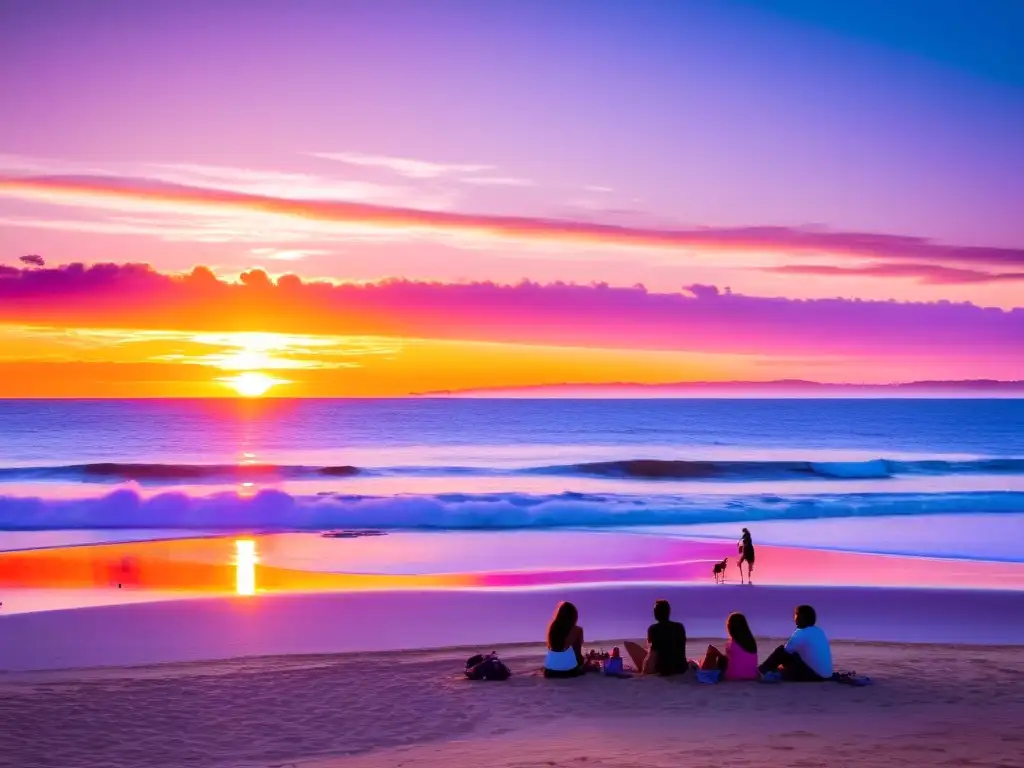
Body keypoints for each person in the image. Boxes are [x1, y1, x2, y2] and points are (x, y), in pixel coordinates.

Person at [758, 604, 833, 682]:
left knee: (781, 650)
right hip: (825, 676)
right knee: (793, 653)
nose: (794, 619)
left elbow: (785, 652)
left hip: (813, 676)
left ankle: (762, 670)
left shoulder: (801, 633)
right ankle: (766, 670)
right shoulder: (819, 631)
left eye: (795, 615)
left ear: (801, 617)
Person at [624, 599, 688, 676]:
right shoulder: (680, 627)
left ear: (656, 613)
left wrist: (644, 672)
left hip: (663, 670)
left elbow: (652, 654)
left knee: (630, 645)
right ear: (669, 612)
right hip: (681, 668)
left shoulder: (654, 629)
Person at [697, 612, 759, 681]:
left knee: (712, 650)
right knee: (721, 656)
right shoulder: (751, 642)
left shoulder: (733, 643)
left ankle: (702, 669)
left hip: (734, 676)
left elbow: (728, 660)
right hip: (752, 675)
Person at [543, 601, 587, 678]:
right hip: (567, 671)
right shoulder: (577, 630)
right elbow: (578, 657)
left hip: (549, 672)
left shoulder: (552, 628)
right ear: (573, 616)